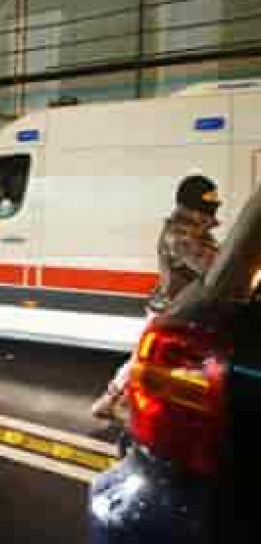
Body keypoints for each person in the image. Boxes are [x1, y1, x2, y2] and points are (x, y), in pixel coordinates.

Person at [91, 174, 221, 421]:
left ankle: (124, 402)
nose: (214, 204)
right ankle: (112, 400)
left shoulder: (196, 231)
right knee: (146, 360)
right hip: (171, 308)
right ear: (192, 202)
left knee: (162, 362)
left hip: (185, 308)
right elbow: (213, 267)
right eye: (209, 199)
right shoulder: (181, 235)